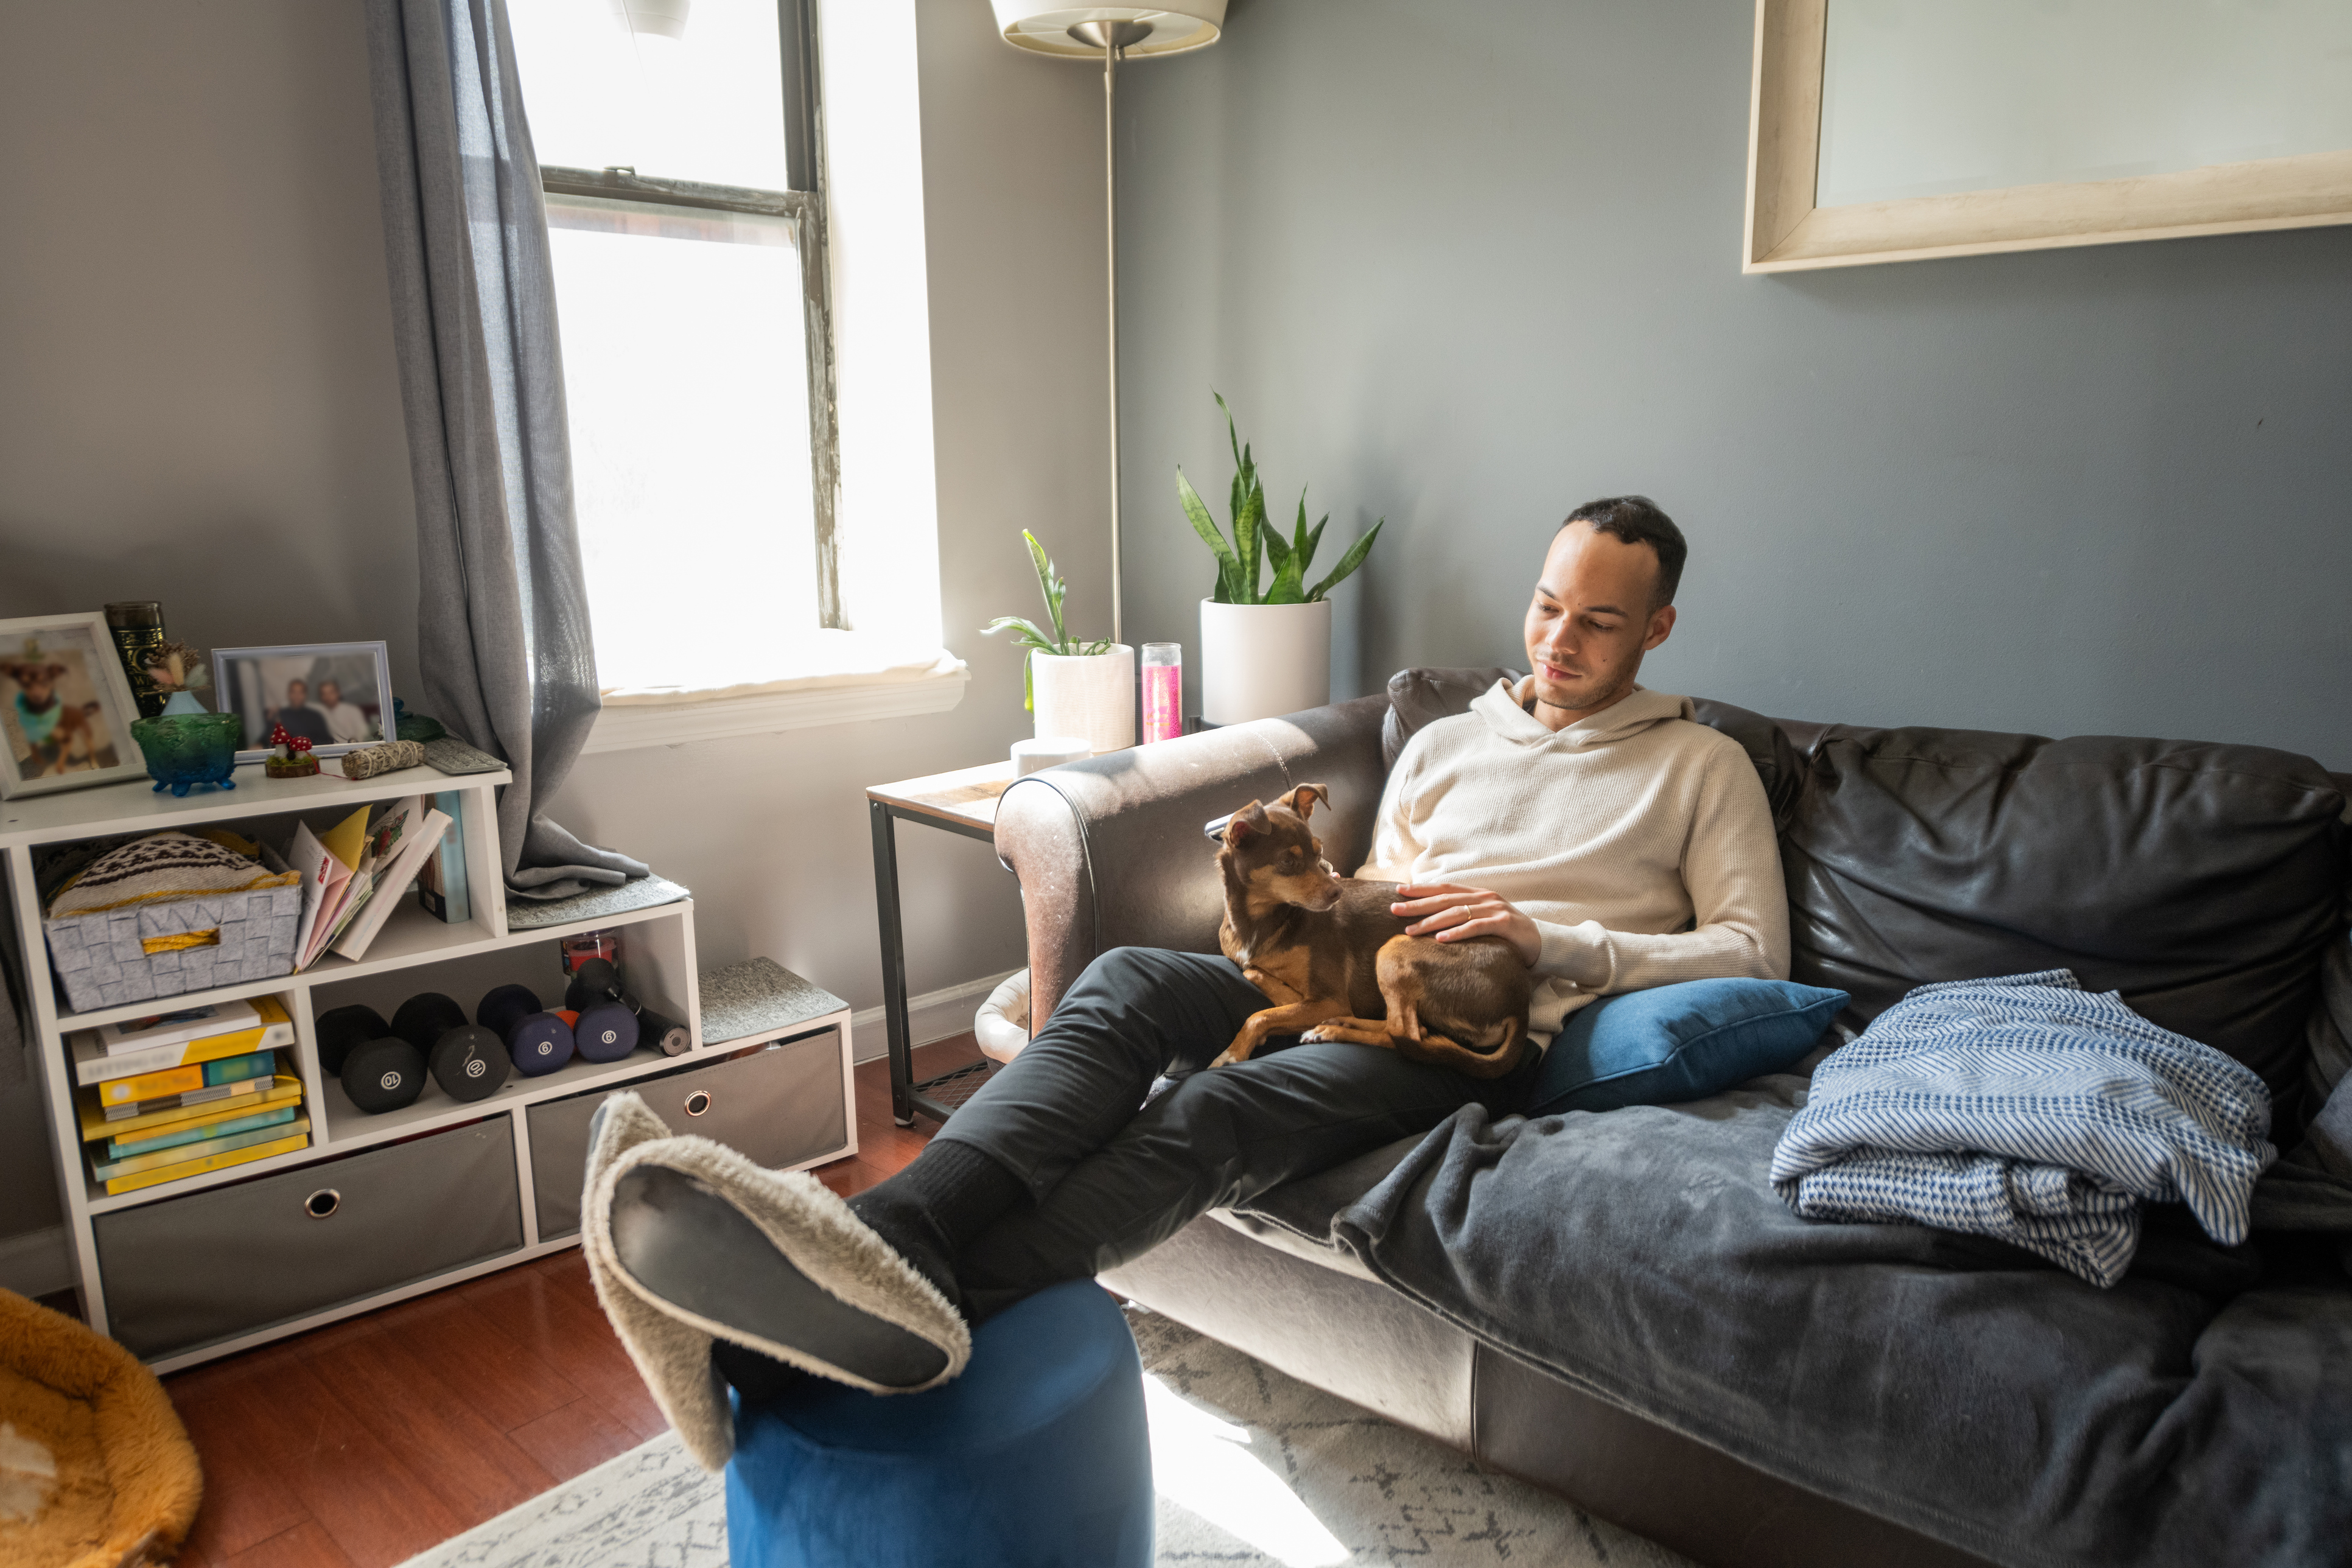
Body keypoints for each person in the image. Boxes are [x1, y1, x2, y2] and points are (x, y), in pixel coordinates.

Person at [584, 496, 1791, 1438]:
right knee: (1124, 984)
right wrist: (1313, 905)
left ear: (1660, 629)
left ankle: (900, 1300)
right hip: (1349, 976)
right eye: (1547, 606)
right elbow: (1360, 888)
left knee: (1219, 1106)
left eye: (1599, 621)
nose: (1557, 641)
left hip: (1469, 1026)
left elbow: (1756, 956)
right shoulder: (1452, 736)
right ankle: (875, 1247)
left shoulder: (1702, 767)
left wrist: (1549, 939)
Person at [268, 678, 332, 746]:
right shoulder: (279, 716)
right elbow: (271, 743)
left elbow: (326, 741)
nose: (297, 696)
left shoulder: (315, 716)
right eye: (294, 692)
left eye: (301, 692)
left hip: (311, 754)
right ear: (289, 694)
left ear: (306, 695)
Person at [314, 679, 373, 744]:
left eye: (331, 693)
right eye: (323, 694)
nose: (327, 697)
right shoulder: (319, 712)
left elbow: (363, 733)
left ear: (338, 693)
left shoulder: (352, 710)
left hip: (354, 747)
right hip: (333, 749)